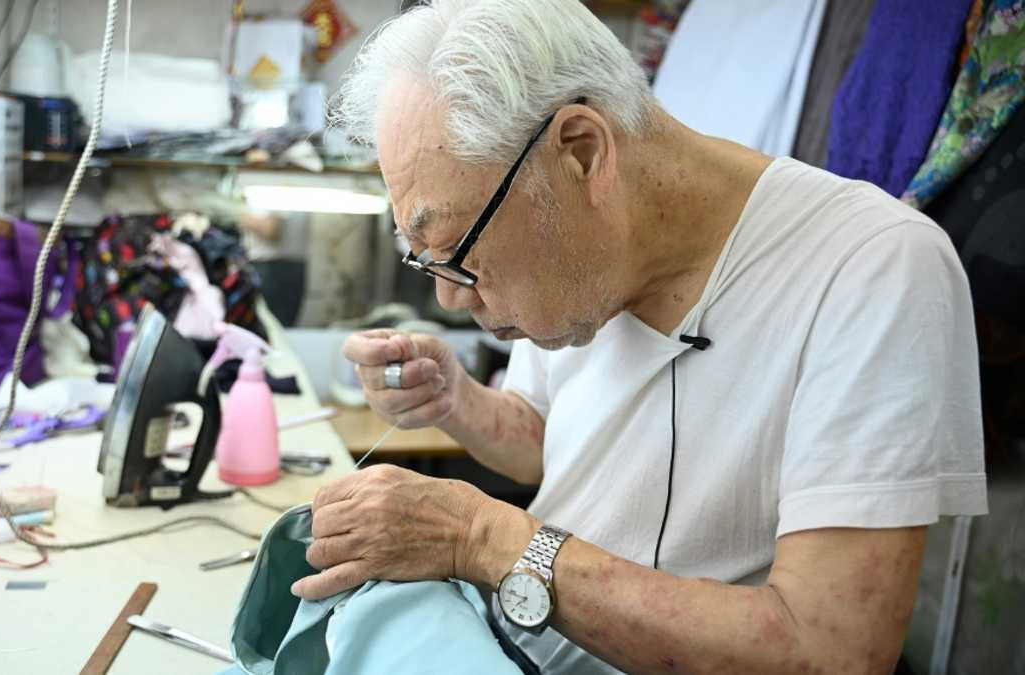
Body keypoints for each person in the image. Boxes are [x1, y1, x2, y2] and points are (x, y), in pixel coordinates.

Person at [291, 1, 989, 673]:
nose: (448, 295)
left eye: (458, 254)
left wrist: (482, 537)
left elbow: (832, 650)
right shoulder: (573, 241)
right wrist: (456, 399)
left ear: (582, 152)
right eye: (429, 261)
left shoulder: (872, 266)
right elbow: (545, 437)